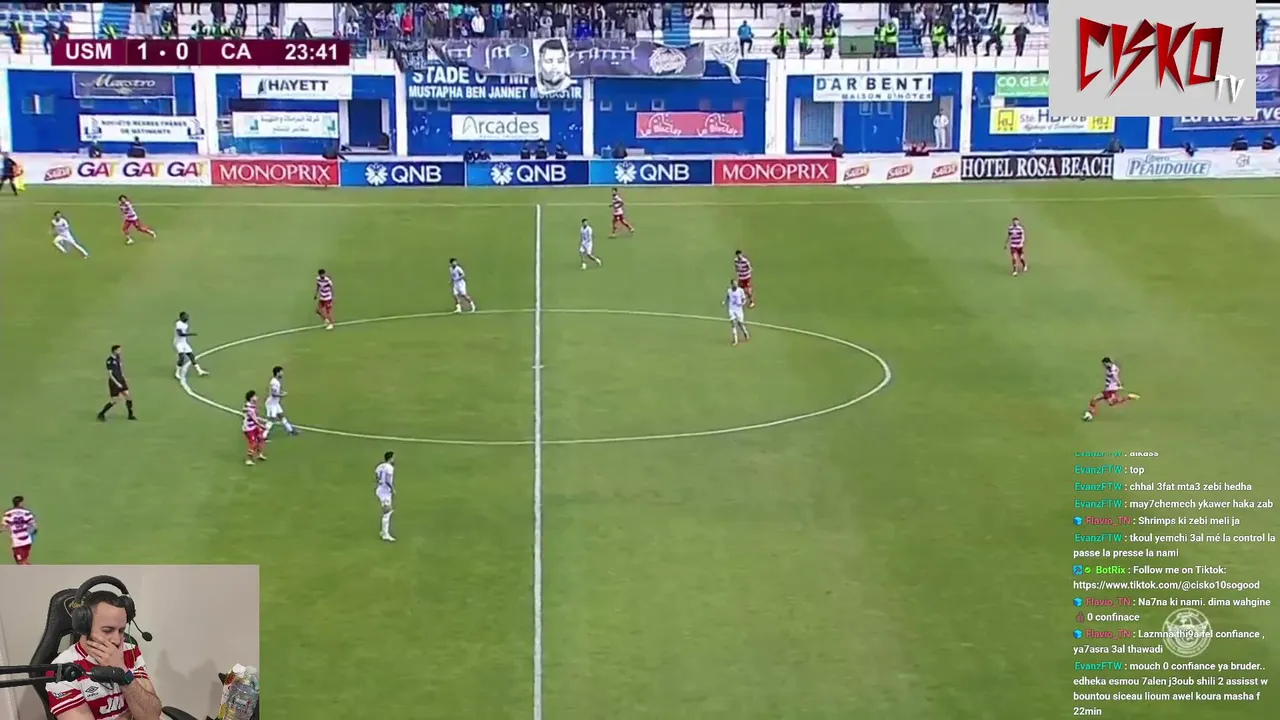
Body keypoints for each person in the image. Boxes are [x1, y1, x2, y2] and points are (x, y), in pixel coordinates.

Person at [44, 589, 163, 720]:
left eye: (121, 630)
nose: (116, 640)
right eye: (107, 630)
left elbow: (152, 715)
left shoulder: (130, 651)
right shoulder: (62, 670)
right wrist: (130, 715)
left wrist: (123, 673)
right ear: (84, 628)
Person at [98, 345, 136, 422]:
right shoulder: (109, 361)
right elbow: (110, 374)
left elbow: (120, 369)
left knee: (128, 396)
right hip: (114, 382)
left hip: (121, 380)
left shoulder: (118, 358)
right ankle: (101, 414)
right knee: (115, 400)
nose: (120, 351)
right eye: (118, 350)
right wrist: (117, 383)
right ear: (114, 351)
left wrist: (123, 377)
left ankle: (130, 415)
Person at [263, 365, 297, 438]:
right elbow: (273, 394)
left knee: (282, 416)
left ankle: (291, 431)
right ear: (277, 373)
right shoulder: (274, 382)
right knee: (272, 420)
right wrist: (282, 395)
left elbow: (275, 391)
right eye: (281, 372)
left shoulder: (276, 381)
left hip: (275, 403)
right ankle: (263, 435)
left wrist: (281, 392)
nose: (283, 373)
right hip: (271, 404)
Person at [173, 311, 208, 380]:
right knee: (182, 357)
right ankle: (177, 373)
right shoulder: (178, 324)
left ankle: (199, 371)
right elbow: (180, 334)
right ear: (181, 317)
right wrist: (191, 334)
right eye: (185, 316)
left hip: (184, 343)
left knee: (191, 356)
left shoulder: (186, 324)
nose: (187, 317)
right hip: (178, 343)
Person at [2, 496, 35, 565]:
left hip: (16, 540)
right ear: (20, 503)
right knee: (24, 560)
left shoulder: (8, 513)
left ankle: (22, 565)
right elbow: (33, 525)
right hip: (26, 539)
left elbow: (4, 525)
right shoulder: (27, 512)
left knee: (20, 561)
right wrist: (33, 533)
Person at [375, 451, 396, 542]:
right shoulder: (390, 468)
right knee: (387, 511)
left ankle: (383, 532)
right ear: (390, 458)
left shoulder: (379, 466)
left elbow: (376, 477)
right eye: (393, 458)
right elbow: (388, 480)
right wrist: (392, 488)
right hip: (385, 491)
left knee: (387, 511)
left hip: (380, 489)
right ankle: (385, 534)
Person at [723, 279, 750, 346]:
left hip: (739, 310)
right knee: (733, 323)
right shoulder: (729, 291)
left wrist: (743, 303)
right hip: (731, 309)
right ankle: (735, 340)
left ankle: (745, 332)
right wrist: (724, 301)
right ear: (732, 284)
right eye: (734, 284)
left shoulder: (740, 290)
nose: (736, 285)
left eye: (736, 283)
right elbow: (727, 297)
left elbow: (744, 299)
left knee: (740, 324)